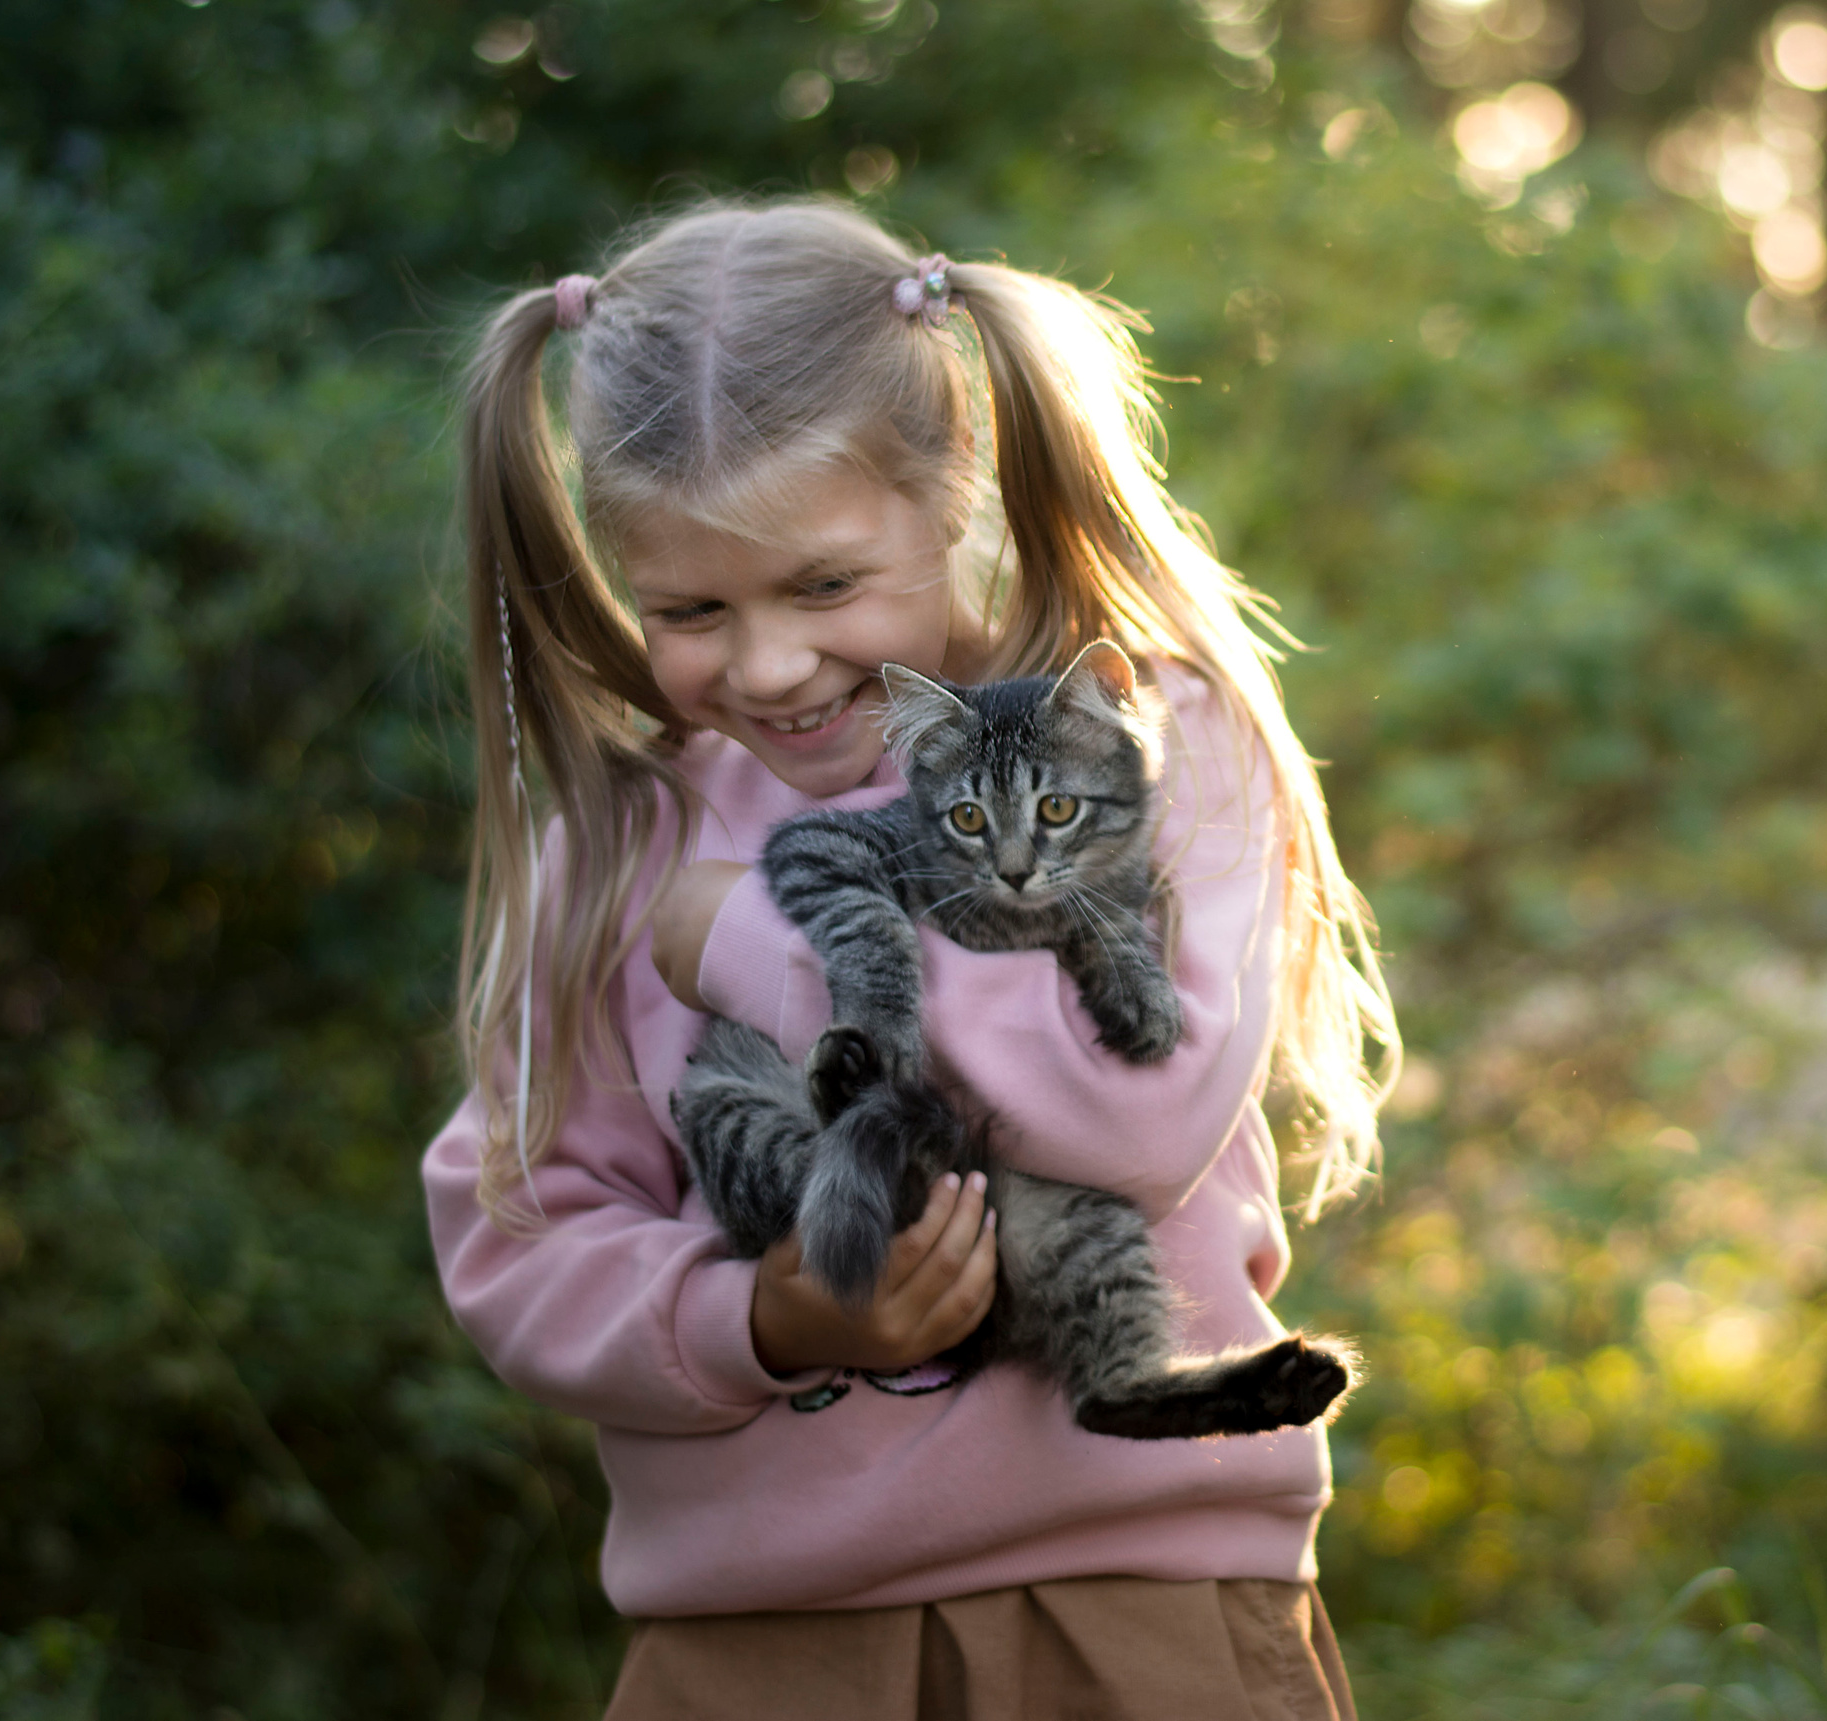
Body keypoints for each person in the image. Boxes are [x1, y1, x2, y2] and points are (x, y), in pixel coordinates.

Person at [423, 199, 1397, 1720]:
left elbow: (1135, 1117)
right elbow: (519, 1229)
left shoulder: (1146, 741)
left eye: (822, 586)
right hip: (758, 1642)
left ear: (952, 493)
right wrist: (760, 1321)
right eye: (687, 607)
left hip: (1132, 1608)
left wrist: (771, 944)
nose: (764, 665)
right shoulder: (624, 842)